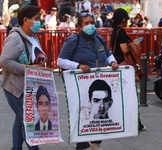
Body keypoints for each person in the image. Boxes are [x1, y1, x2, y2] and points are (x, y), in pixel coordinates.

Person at [57, 10, 118, 150]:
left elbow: (108, 55)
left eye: (92, 23)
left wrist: (112, 62)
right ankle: (82, 144)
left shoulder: (99, 39)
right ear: (79, 26)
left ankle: (96, 143)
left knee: (99, 115)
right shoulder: (73, 40)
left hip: (98, 83)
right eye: (86, 23)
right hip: (80, 85)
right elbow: (60, 61)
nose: (90, 25)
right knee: (84, 113)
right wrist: (78, 66)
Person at [0, 5, 46, 150]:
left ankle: (16, 148)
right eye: (36, 19)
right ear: (25, 20)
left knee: (20, 119)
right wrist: (25, 69)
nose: (40, 22)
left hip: (29, 87)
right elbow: (4, 61)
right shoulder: (15, 38)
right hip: (15, 88)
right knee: (28, 121)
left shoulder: (33, 37)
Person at [111, 8, 146, 131]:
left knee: (122, 94)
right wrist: (133, 44)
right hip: (123, 65)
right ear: (123, 19)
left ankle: (128, 121)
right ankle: (136, 123)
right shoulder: (120, 32)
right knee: (130, 95)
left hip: (117, 63)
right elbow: (125, 49)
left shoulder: (115, 31)